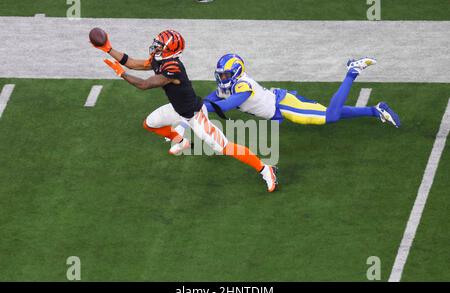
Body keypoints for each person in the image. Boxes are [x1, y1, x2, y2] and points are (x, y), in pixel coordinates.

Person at [92, 30, 278, 192]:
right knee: (149, 124)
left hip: (195, 115)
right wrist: (108, 48)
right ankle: (181, 140)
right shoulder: (160, 59)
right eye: (157, 44)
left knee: (224, 147)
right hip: (177, 109)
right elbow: (133, 63)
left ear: (171, 51)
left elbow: (144, 84)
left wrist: (121, 73)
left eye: (160, 46)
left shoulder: (172, 68)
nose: (156, 49)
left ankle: (265, 169)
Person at [203, 54, 401, 128]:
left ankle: (353, 71)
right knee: (328, 112)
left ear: (236, 73)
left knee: (330, 116)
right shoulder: (228, 86)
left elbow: (226, 106)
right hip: (280, 103)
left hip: (284, 105)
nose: (222, 79)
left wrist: (198, 107)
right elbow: (207, 101)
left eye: (226, 75)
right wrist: (189, 107)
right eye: (221, 75)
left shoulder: (242, 86)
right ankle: (376, 110)